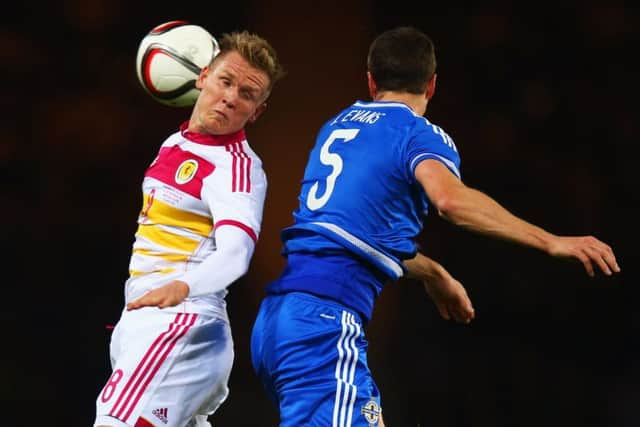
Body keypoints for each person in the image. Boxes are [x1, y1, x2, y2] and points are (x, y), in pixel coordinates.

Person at [249, 26, 620, 427]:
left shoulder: (337, 127)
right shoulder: (416, 133)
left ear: (371, 80)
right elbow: (450, 200)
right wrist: (551, 241)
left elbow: (354, 237)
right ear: (432, 84)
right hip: (323, 327)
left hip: (277, 323)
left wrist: (434, 274)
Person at [94, 29, 285, 427]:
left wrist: (184, 286)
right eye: (225, 81)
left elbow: (235, 254)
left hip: (182, 323)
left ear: (257, 111)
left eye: (247, 94)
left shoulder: (237, 169)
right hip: (146, 321)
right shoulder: (174, 143)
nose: (231, 97)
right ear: (202, 78)